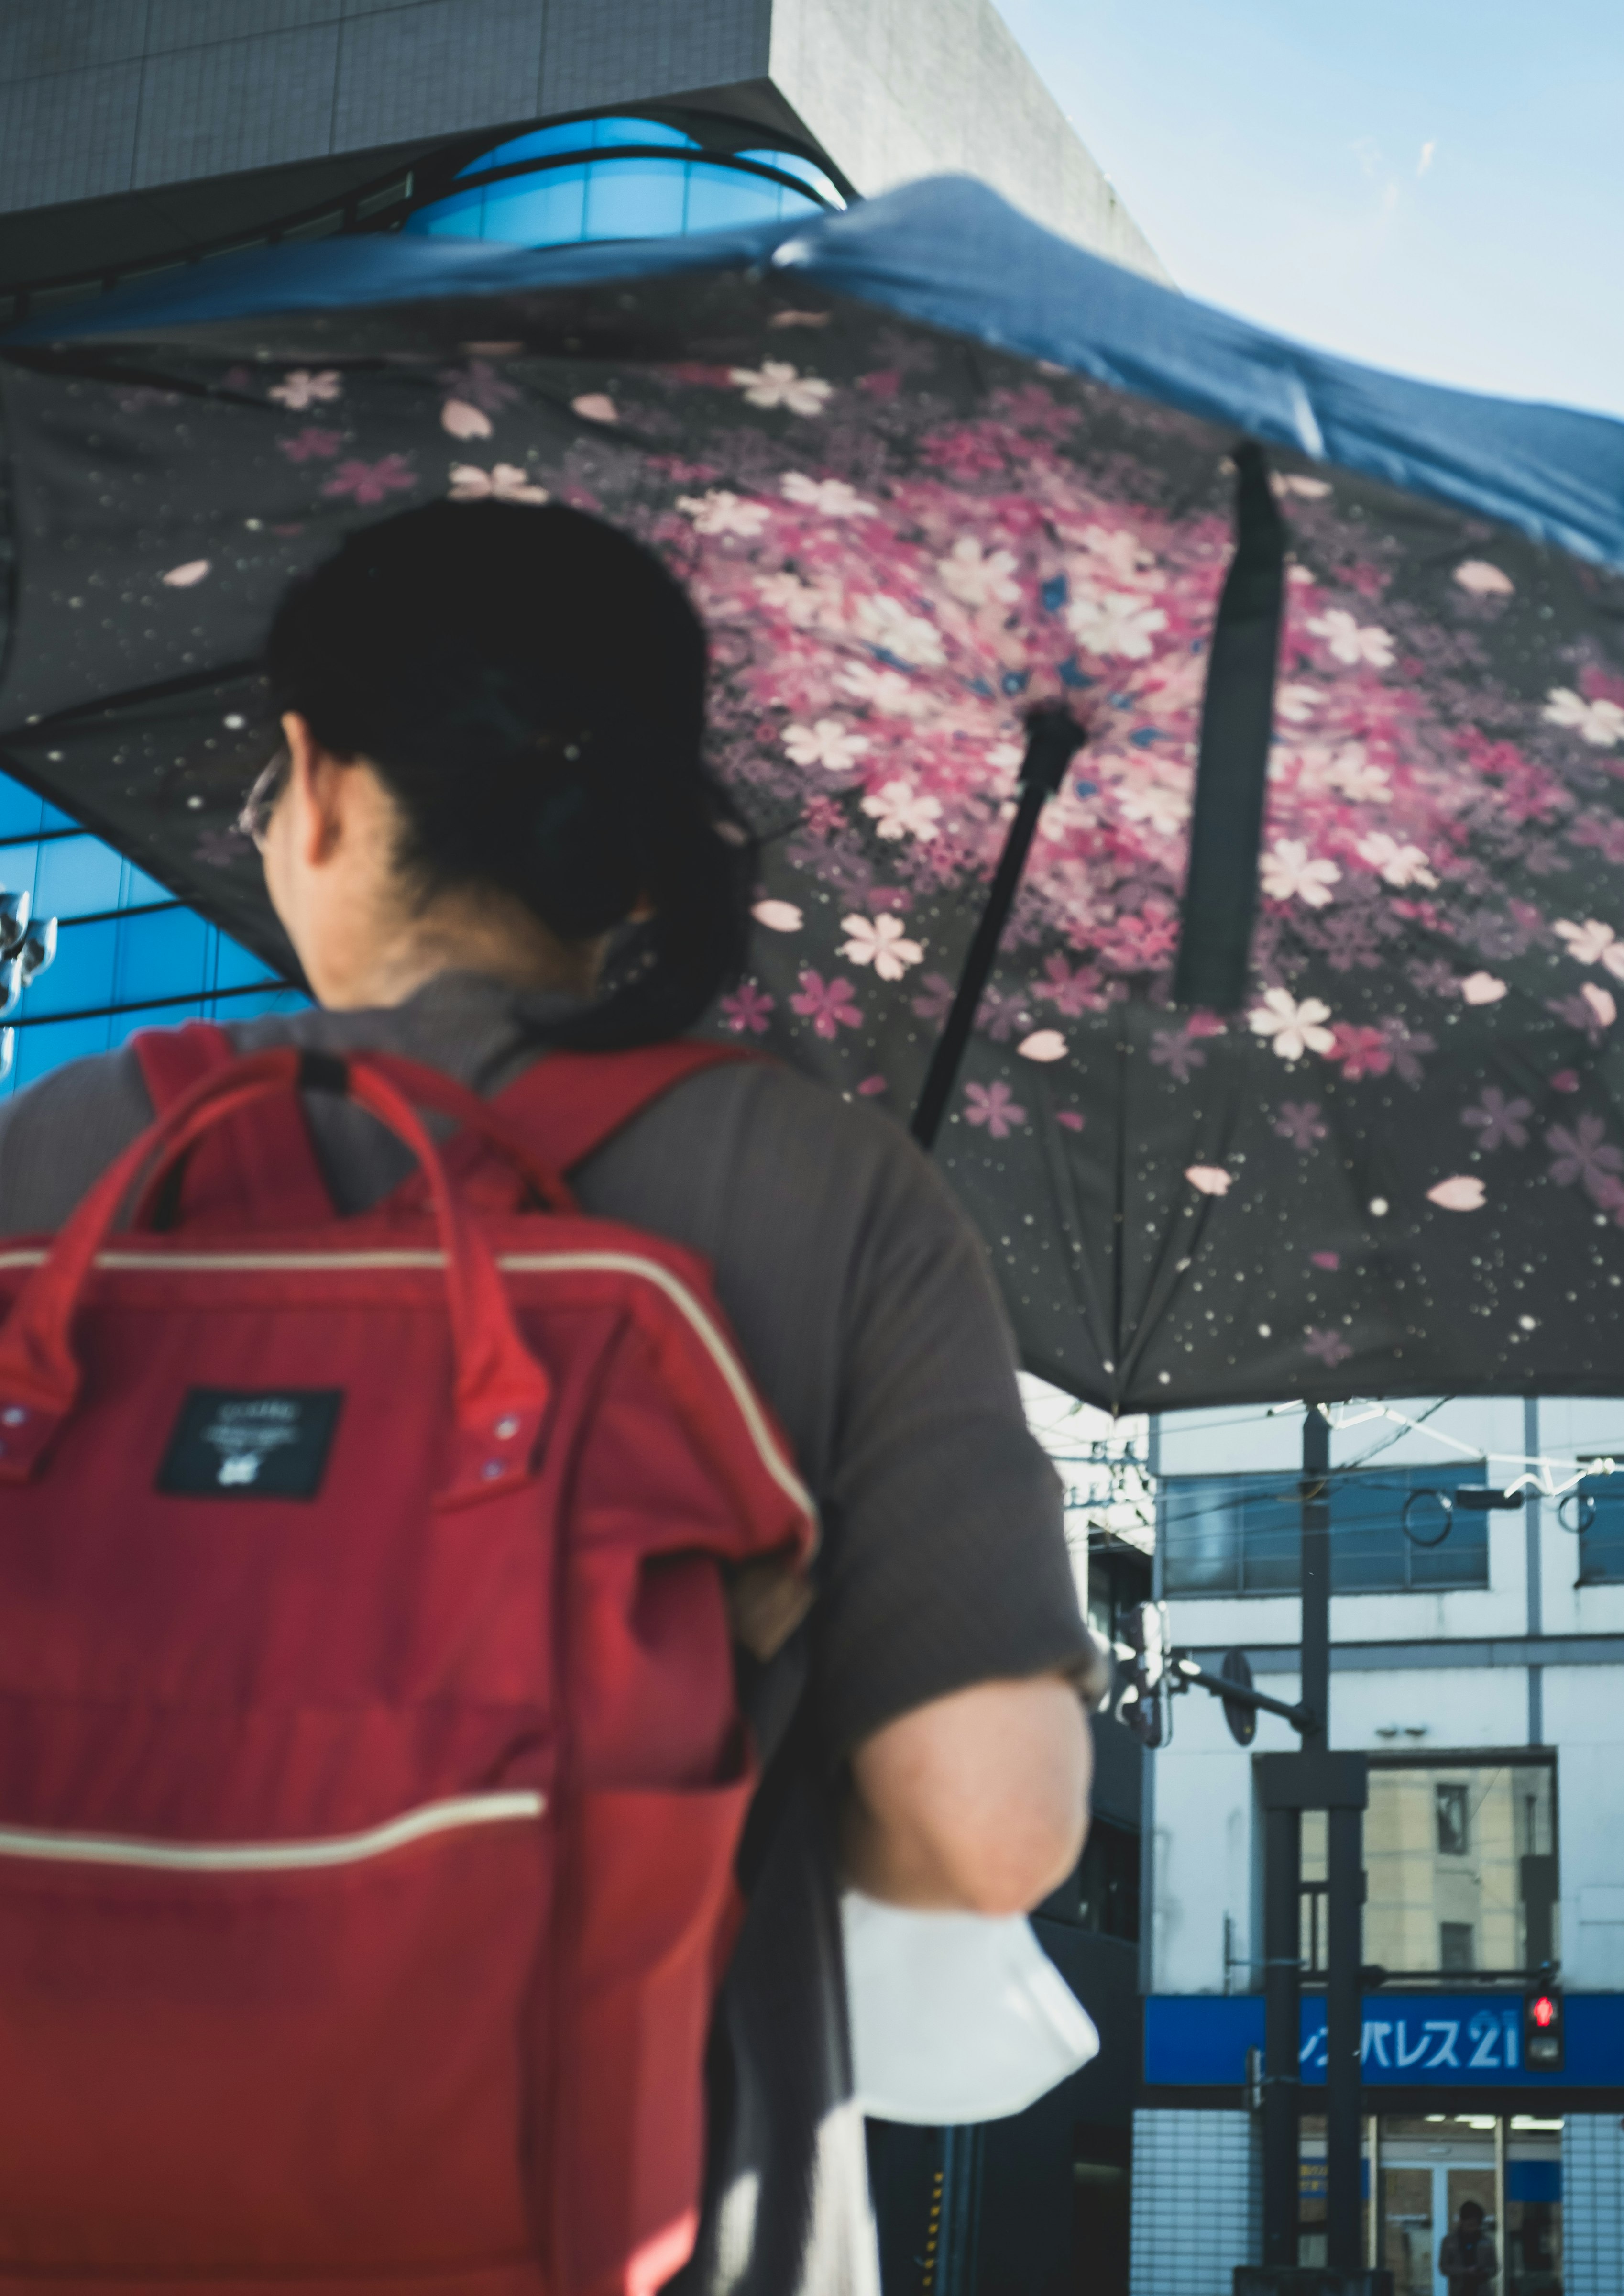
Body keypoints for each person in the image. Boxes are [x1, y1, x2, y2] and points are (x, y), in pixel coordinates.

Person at [0, 500, 1101, 2296]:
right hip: (641, 2220)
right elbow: (995, 1817)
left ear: (323, 782)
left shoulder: (62, 1158)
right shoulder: (820, 1191)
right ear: (646, 847)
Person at [1438, 2197, 1499, 2295]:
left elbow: (1494, 2268)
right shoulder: (1449, 2242)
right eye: (1470, 2225)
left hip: (1481, 2290)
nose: (1473, 2229)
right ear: (1462, 2221)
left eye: (1476, 2225)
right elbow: (1444, 2267)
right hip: (1459, 2291)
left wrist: (1483, 2272)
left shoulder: (1486, 2242)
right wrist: (1465, 2271)